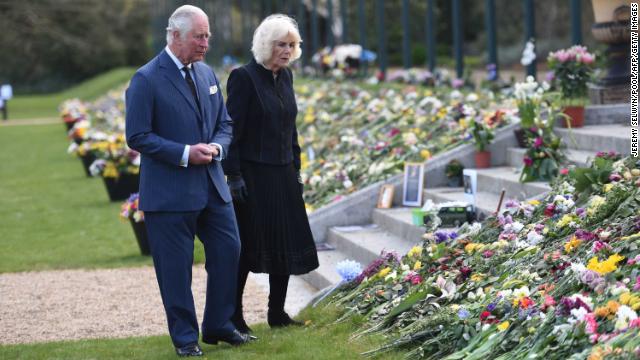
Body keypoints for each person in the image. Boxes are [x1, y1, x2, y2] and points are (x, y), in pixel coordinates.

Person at [125, 5, 253, 357]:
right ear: (175, 36)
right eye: (199, 36)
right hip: (169, 193)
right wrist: (184, 152)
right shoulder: (146, 79)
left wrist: (215, 147)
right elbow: (137, 136)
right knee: (175, 271)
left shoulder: (208, 74)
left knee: (229, 250)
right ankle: (185, 339)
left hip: (212, 186)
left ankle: (219, 324)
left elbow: (225, 125)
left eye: (207, 35)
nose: (205, 42)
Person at [223, 14, 319, 333]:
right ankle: (233, 317)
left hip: (283, 173)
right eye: (281, 44)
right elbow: (232, 131)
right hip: (253, 175)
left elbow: (289, 128)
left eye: (292, 45)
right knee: (249, 248)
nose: (287, 50)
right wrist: (234, 175)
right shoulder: (243, 78)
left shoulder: (286, 77)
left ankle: (276, 313)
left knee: (286, 243)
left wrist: (297, 168)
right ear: (266, 44)